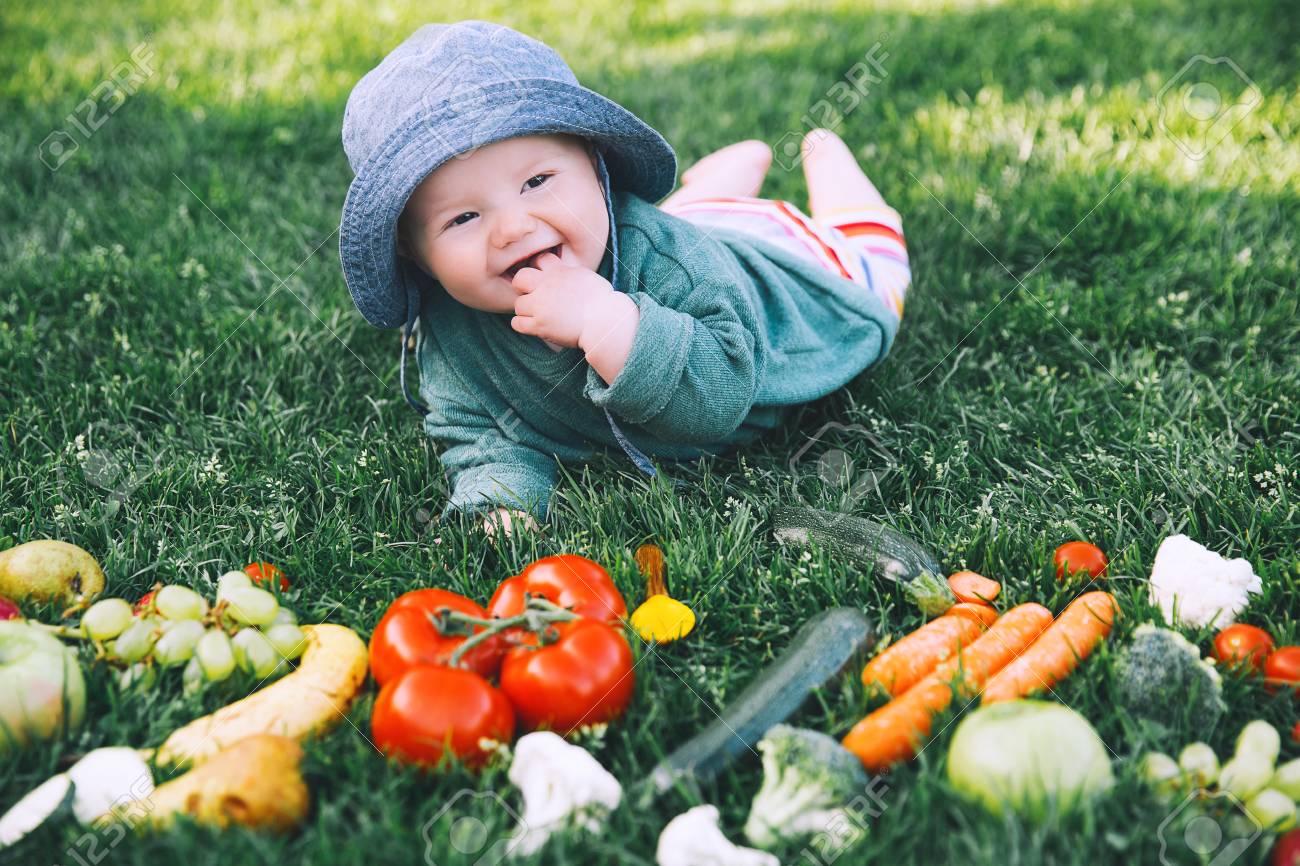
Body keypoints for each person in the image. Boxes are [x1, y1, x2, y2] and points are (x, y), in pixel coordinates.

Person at [339, 20, 911, 540]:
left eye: (537, 181)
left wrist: (607, 322)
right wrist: (503, 499)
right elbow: (476, 428)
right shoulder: (452, 327)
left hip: (776, 264)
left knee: (873, 267)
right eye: (463, 218)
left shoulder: (675, 261)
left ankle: (825, 159)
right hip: (692, 227)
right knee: (695, 216)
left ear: (596, 168)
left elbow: (721, 395)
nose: (513, 227)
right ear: (416, 257)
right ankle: (719, 183)